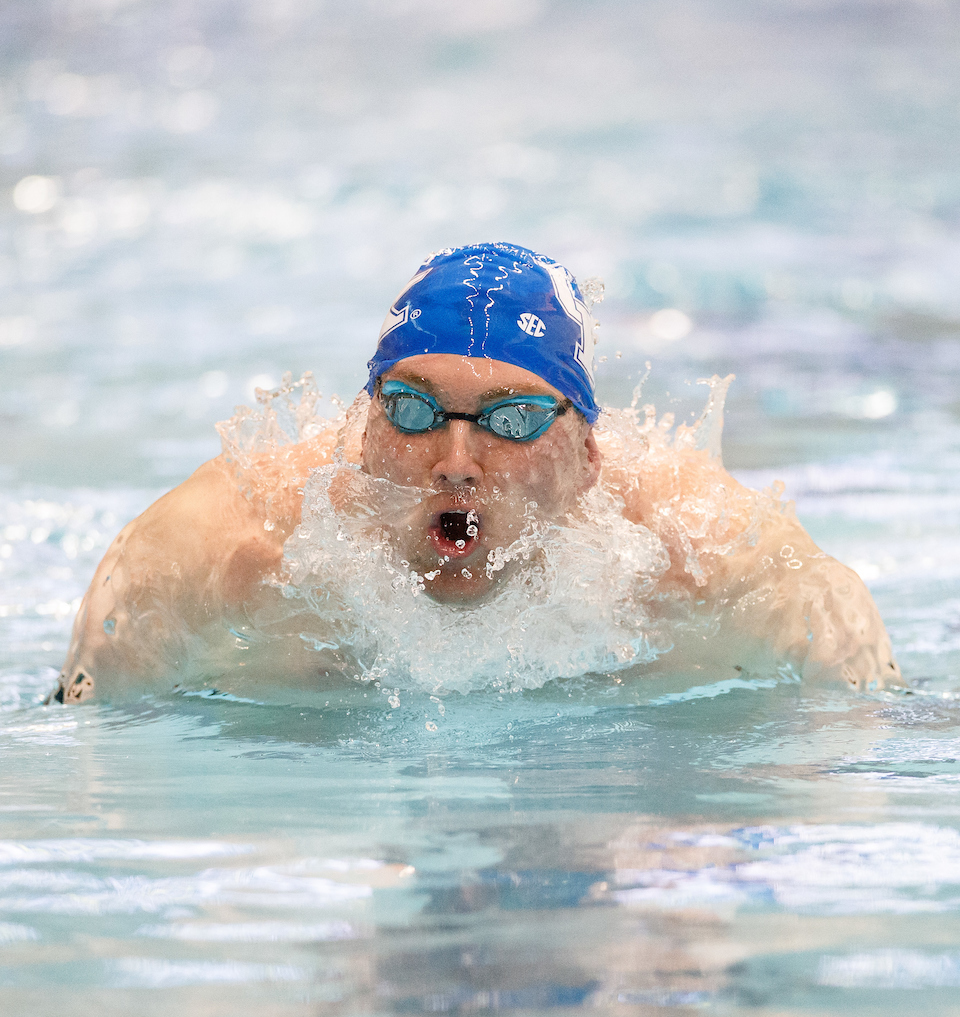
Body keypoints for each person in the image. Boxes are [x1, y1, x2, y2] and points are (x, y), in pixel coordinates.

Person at [49, 242, 901, 705]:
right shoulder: (221, 556)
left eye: (513, 420)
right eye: (415, 411)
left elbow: (871, 727)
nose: (456, 463)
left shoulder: (704, 560)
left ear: (586, 456)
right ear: (360, 427)